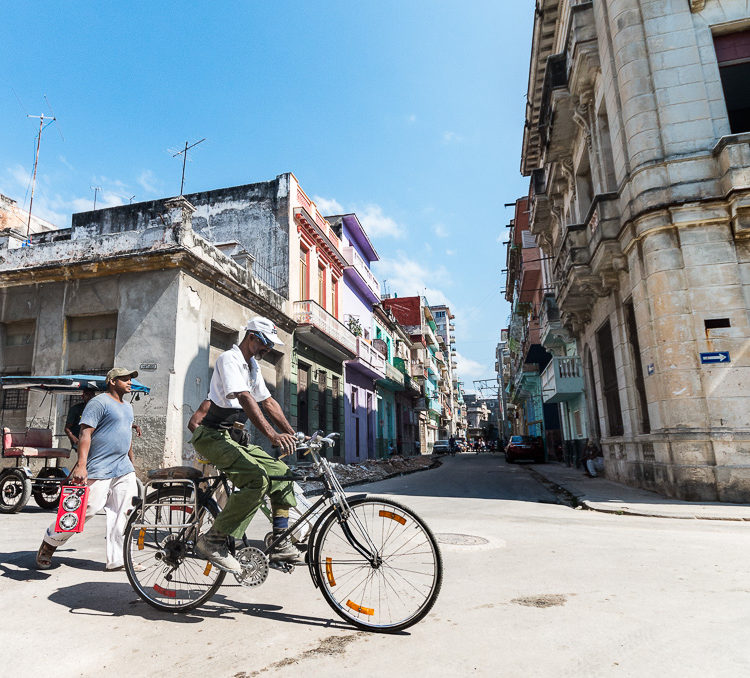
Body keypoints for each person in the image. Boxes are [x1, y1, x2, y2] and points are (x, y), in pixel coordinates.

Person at [189, 317, 299, 574]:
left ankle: (280, 542)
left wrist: (292, 433)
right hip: (212, 435)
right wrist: (272, 435)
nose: (267, 350)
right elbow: (245, 397)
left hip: (233, 439)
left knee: (282, 473)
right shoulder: (229, 359)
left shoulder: (252, 367)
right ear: (251, 337)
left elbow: (268, 402)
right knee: (256, 480)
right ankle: (212, 541)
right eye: (265, 344)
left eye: (270, 346)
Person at [36, 368, 140, 570]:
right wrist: (81, 465)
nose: (129, 382)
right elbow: (85, 434)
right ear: (112, 381)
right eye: (125, 379)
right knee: (85, 510)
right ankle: (50, 542)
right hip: (99, 465)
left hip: (123, 468)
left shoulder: (128, 407)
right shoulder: (98, 403)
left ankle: (118, 559)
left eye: (130, 379)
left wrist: (131, 461)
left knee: (124, 513)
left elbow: (125, 436)